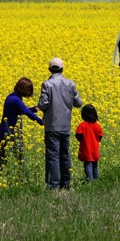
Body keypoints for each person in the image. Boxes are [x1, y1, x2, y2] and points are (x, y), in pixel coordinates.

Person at [38, 57, 83, 190]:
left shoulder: (47, 84)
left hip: (52, 126)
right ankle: (66, 183)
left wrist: (38, 107)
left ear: (49, 69)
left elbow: (43, 104)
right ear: (62, 69)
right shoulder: (70, 84)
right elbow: (78, 103)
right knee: (65, 154)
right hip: (65, 125)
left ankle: (54, 186)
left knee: (53, 155)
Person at [0, 78, 43, 179]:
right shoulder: (15, 100)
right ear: (22, 89)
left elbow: (20, 111)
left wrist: (34, 109)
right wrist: (40, 121)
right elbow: (25, 111)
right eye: (28, 90)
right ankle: (21, 178)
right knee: (18, 157)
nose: (30, 92)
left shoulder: (12, 97)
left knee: (4, 158)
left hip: (8, 131)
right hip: (9, 132)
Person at [75, 104, 103, 181]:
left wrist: (84, 141)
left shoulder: (82, 125)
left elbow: (78, 135)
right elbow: (100, 136)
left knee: (88, 165)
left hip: (86, 150)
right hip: (95, 150)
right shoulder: (97, 126)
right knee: (95, 166)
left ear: (83, 115)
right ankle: (96, 182)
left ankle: (90, 183)